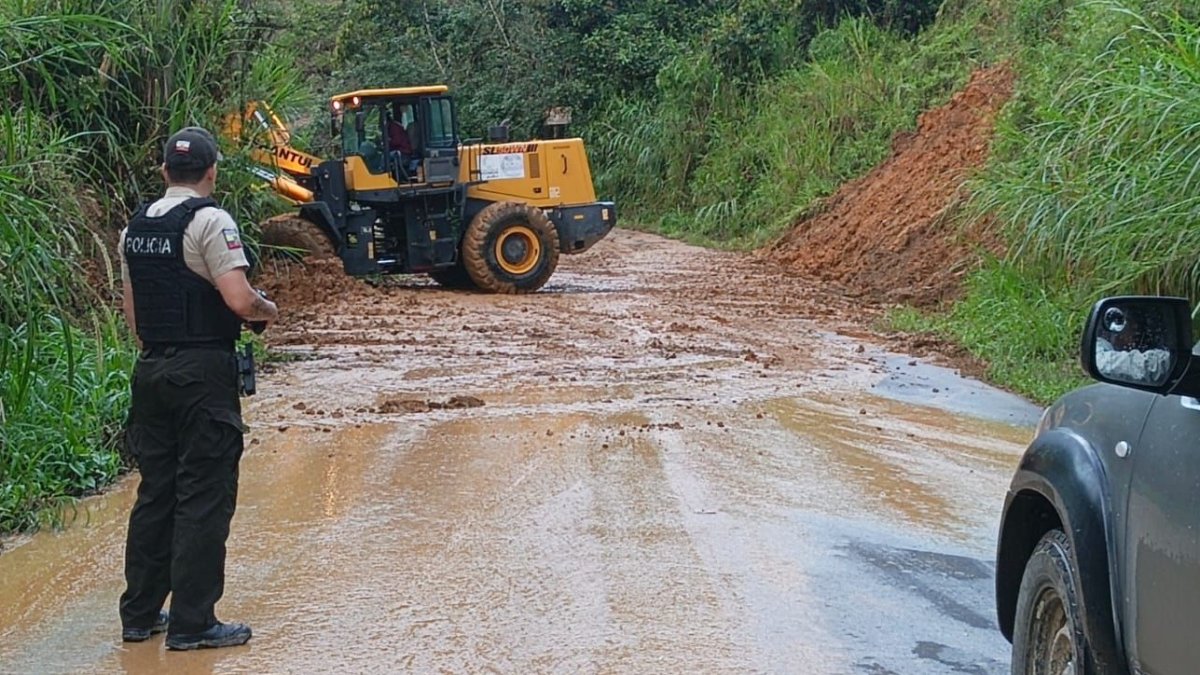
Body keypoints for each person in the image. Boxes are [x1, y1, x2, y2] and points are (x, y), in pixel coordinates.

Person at [117, 126, 278, 651]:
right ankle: (193, 623)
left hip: (152, 372)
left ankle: (140, 615)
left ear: (165, 172)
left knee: (156, 493)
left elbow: (134, 318)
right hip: (202, 375)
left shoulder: (133, 229)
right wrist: (266, 310)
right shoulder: (211, 221)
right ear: (212, 172)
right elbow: (239, 300)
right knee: (203, 497)